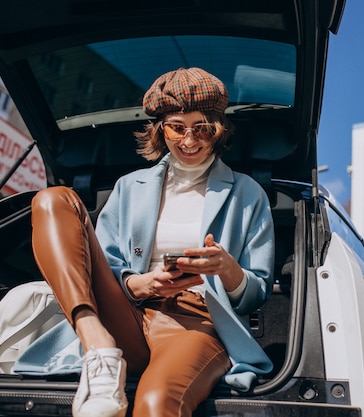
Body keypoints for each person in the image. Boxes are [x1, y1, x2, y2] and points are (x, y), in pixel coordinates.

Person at [29, 67, 275, 417]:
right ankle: (97, 347)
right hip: (128, 315)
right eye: (177, 127)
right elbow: (104, 267)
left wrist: (228, 268)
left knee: (155, 404)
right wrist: (140, 284)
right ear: (161, 129)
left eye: (202, 128)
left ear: (217, 130)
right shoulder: (129, 187)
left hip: (197, 323)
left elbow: (258, 292)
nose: (189, 141)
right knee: (52, 200)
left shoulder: (248, 193)